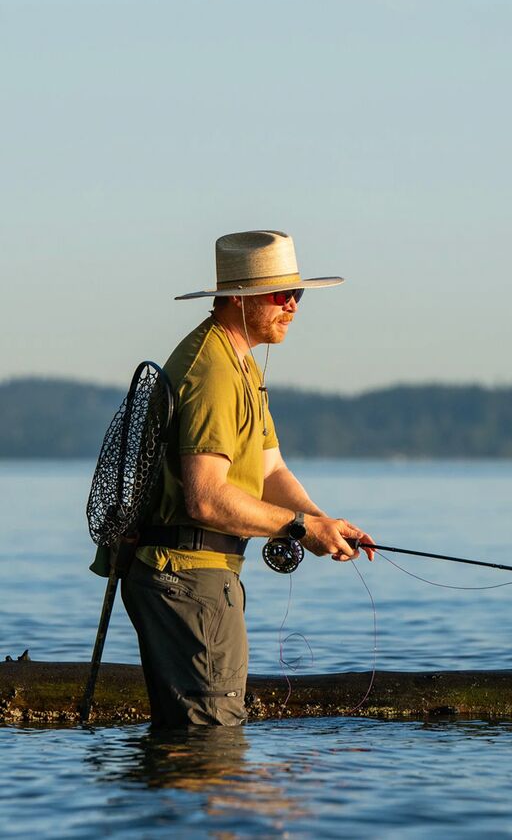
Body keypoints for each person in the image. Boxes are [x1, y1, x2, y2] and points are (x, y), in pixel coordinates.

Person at [121, 230, 374, 727]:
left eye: (297, 295)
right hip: (188, 578)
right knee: (212, 745)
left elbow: (270, 468)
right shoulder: (213, 371)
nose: (294, 306)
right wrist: (301, 528)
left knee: (198, 751)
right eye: (283, 295)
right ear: (238, 298)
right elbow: (206, 499)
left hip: (200, 576)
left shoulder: (240, 365)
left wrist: (325, 523)